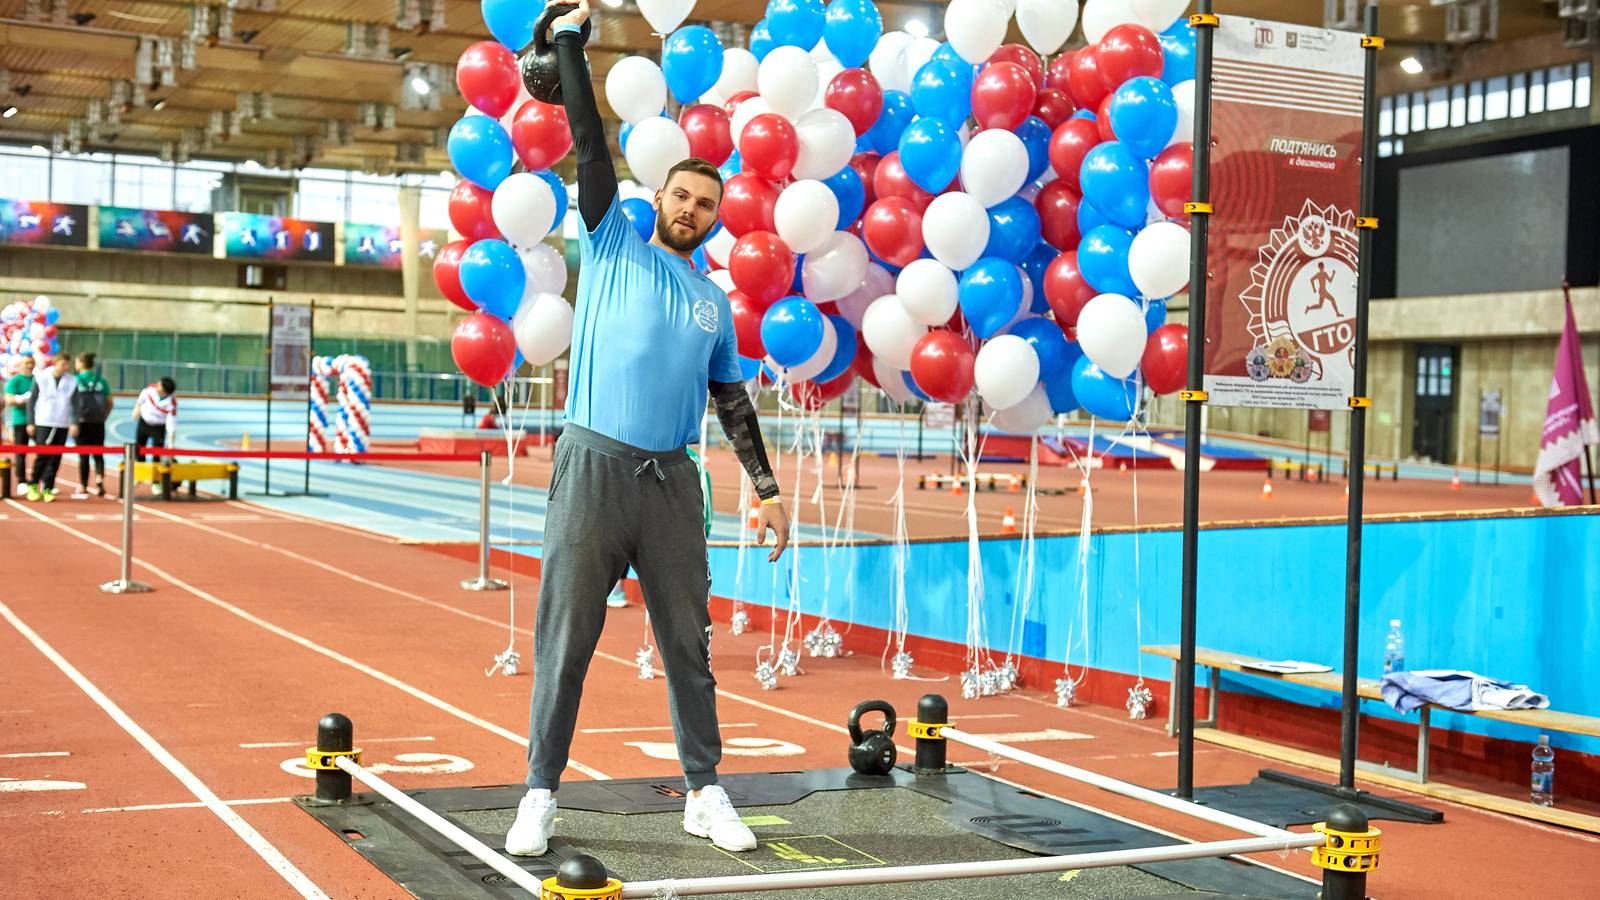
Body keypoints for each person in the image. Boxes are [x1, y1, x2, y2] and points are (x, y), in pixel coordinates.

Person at [506, 0, 791, 859]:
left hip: (673, 483)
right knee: (565, 641)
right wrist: (568, 39)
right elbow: (590, 144)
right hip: (592, 468)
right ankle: (539, 794)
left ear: (715, 218)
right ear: (658, 197)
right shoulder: (612, 242)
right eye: (683, 195)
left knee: (688, 647)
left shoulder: (713, 303)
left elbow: (732, 403)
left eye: (707, 204)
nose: (693, 209)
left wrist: (768, 490)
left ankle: (704, 792)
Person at [25, 353, 76, 502]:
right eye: (63, 364)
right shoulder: (41, 377)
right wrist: (30, 422)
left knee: (56, 457)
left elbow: (76, 403)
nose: (66, 367)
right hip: (43, 422)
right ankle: (33, 484)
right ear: (56, 363)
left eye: (67, 364)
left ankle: (48, 487)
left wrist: (75, 422)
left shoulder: (71, 381)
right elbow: (32, 401)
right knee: (42, 455)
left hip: (62, 423)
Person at [72, 352, 113, 497]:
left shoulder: (75, 380)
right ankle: (99, 479)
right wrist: (104, 417)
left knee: (83, 454)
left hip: (81, 422)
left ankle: (83, 484)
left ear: (81, 363)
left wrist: (72, 421)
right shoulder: (101, 381)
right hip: (98, 422)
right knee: (98, 453)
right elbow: (109, 402)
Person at [5, 356, 35, 495]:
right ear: (21, 365)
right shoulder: (15, 381)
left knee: (44, 451)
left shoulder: (38, 380)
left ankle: (40, 480)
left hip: (38, 421)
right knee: (20, 452)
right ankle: (21, 481)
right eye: (27, 363)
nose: (30, 365)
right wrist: (25, 398)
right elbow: (9, 400)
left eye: (32, 363)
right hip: (20, 421)